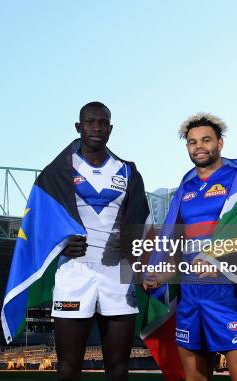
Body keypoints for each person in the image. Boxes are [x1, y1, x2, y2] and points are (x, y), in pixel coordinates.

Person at [144, 113, 237, 381]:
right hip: (191, 294)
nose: (199, 146)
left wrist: (216, 256)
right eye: (192, 142)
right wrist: (161, 274)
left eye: (206, 140)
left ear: (220, 143)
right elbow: (175, 244)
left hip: (230, 293)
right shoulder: (186, 186)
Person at [52, 101, 150, 381]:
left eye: (103, 122)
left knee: (118, 368)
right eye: (91, 122)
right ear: (78, 127)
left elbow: (143, 222)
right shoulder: (59, 169)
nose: (97, 127)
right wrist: (60, 243)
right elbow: (39, 220)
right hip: (73, 272)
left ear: (110, 128)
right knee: (68, 367)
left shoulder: (128, 171)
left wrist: (132, 244)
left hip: (117, 273)